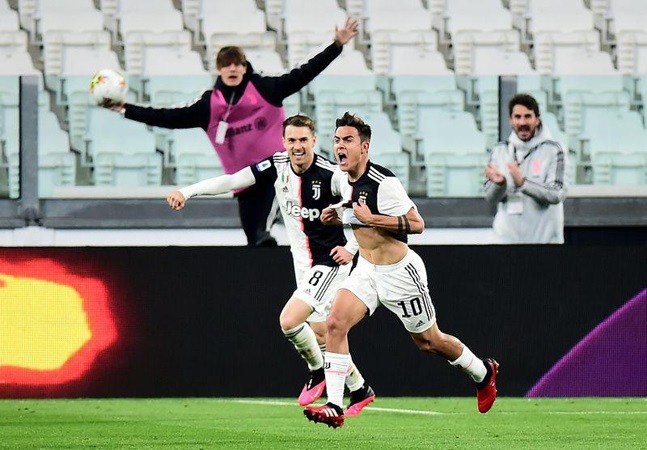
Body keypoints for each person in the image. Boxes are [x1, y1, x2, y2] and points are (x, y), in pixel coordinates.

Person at [167, 114, 375, 415]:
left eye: (303, 139)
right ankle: (359, 388)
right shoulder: (276, 165)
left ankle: (317, 371)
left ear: (314, 141)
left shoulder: (331, 174)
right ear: (284, 142)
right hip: (304, 265)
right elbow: (232, 180)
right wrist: (187, 192)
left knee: (290, 321)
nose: (297, 146)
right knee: (320, 333)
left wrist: (352, 247)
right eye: (292, 140)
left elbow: (361, 205)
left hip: (329, 263)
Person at [303, 112, 499, 429]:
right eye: (337, 140)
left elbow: (418, 224)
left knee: (429, 342)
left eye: (348, 140)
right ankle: (335, 406)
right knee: (335, 324)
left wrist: (371, 219)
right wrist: (337, 215)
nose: (340, 146)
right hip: (366, 269)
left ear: (364, 147)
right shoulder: (341, 180)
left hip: (399, 272)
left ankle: (482, 372)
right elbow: (353, 212)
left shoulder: (385, 183)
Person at [108, 17, 359, 247]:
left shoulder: (264, 89)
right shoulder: (209, 105)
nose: (232, 69)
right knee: (254, 238)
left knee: (263, 231)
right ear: (218, 70)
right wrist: (124, 109)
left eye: (237, 64)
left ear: (243, 67)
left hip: (279, 170)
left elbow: (304, 73)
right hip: (243, 180)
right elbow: (167, 117)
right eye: (226, 65)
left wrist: (336, 45)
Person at [484, 93, 567, 244]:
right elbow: (490, 197)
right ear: (511, 120)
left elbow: (557, 193)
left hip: (543, 243)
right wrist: (500, 184)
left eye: (528, 116)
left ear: (537, 119)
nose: (522, 122)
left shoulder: (554, 150)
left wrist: (523, 183)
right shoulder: (500, 150)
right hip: (505, 242)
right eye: (517, 117)